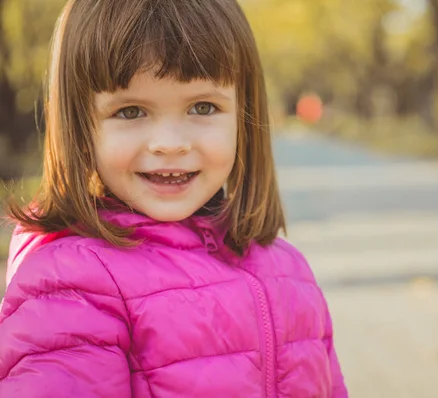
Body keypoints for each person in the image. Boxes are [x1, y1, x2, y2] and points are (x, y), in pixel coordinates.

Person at [0, 0, 348, 396]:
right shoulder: (70, 288)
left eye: (203, 107)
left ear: (244, 116)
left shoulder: (288, 270)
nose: (170, 144)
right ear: (80, 127)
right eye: (130, 112)